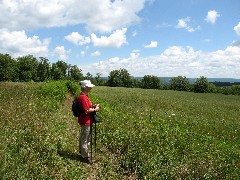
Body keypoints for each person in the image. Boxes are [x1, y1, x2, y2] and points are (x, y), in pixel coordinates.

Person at [78, 80, 100, 163]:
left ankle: (82, 152)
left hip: (87, 120)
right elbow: (87, 110)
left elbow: (88, 107)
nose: (90, 87)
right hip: (85, 121)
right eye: (89, 86)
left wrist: (93, 106)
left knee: (85, 137)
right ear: (84, 87)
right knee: (85, 138)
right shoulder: (83, 97)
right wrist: (95, 109)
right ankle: (85, 157)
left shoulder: (85, 96)